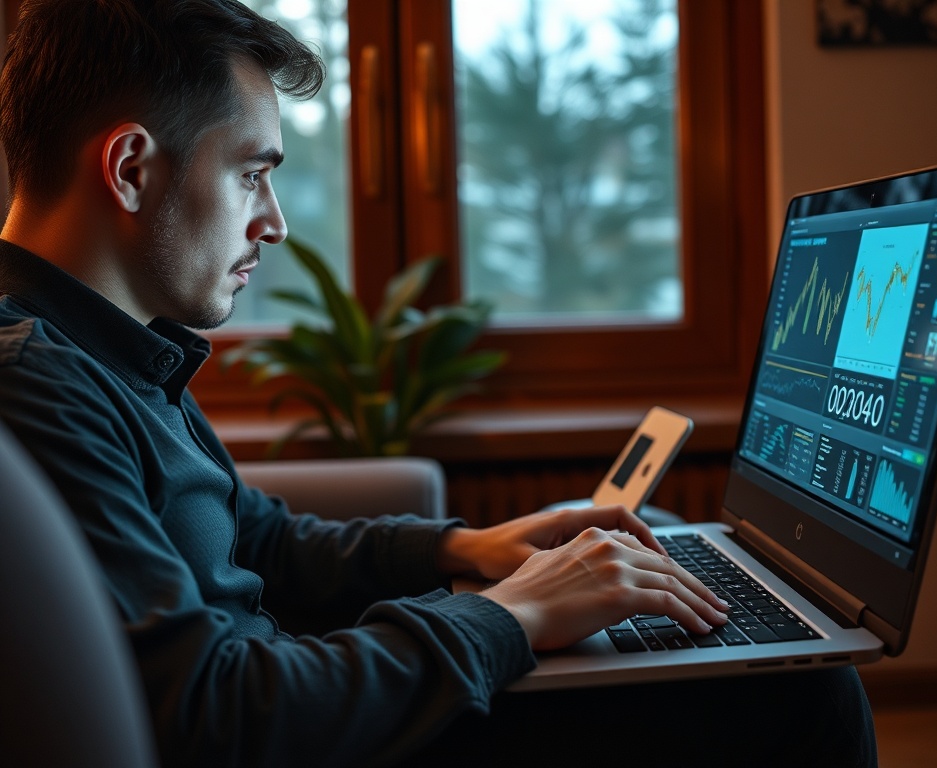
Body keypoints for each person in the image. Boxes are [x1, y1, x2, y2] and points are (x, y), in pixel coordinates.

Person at [0, 1, 877, 766]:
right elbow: (218, 715)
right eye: (253, 175)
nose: (274, 222)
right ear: (129, 168)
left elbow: (251, 537)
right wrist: (514, 615)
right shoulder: (38, 387)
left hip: (307, 701)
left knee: (658, 573)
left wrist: (468, 549)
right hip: (297, 733)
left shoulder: (117, 347)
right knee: (802, 699)